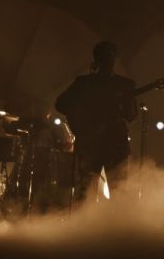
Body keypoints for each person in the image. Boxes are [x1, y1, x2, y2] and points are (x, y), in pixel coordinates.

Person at [55, 41, 138, 202]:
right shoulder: (86, 83)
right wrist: (82, 121)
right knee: (92, 191)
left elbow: (131, 115)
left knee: (109, 191)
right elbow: (61, 104)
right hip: (98, 143)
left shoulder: (88, 83)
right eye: (107, 56)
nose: (110, 60)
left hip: (105, 143)